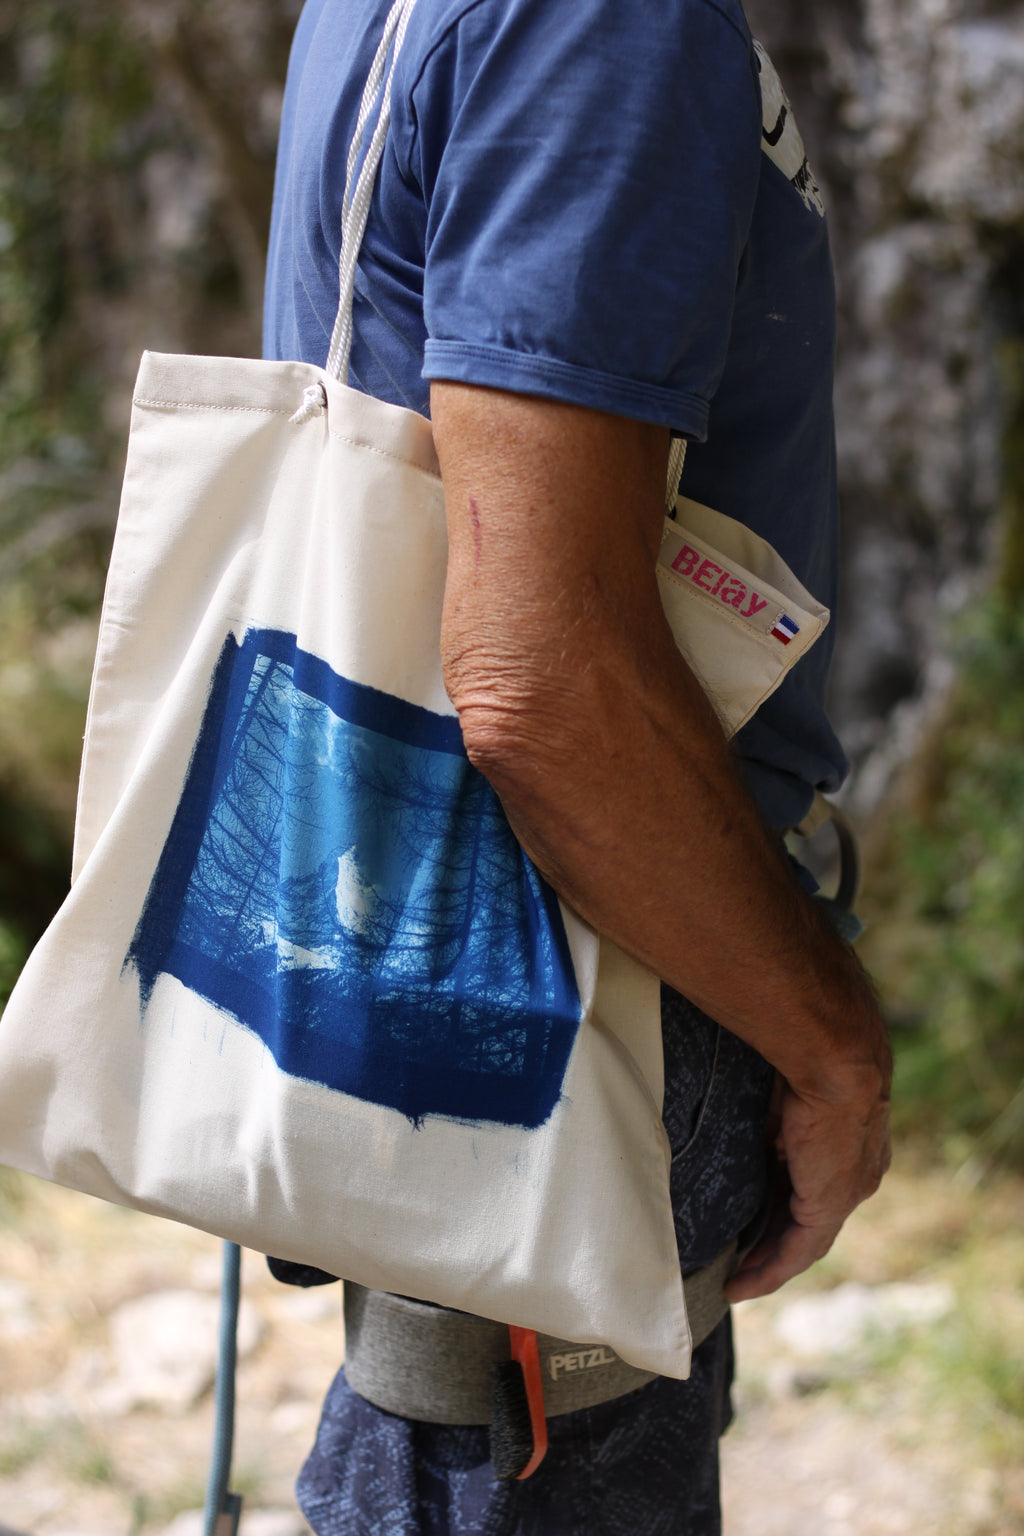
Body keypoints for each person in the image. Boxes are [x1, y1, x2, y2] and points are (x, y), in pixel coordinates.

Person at [262, 0, 892, 1530]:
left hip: (413, 918)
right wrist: (830, 1047)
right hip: (574, 974)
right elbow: (544, 681)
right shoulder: (600, 19)